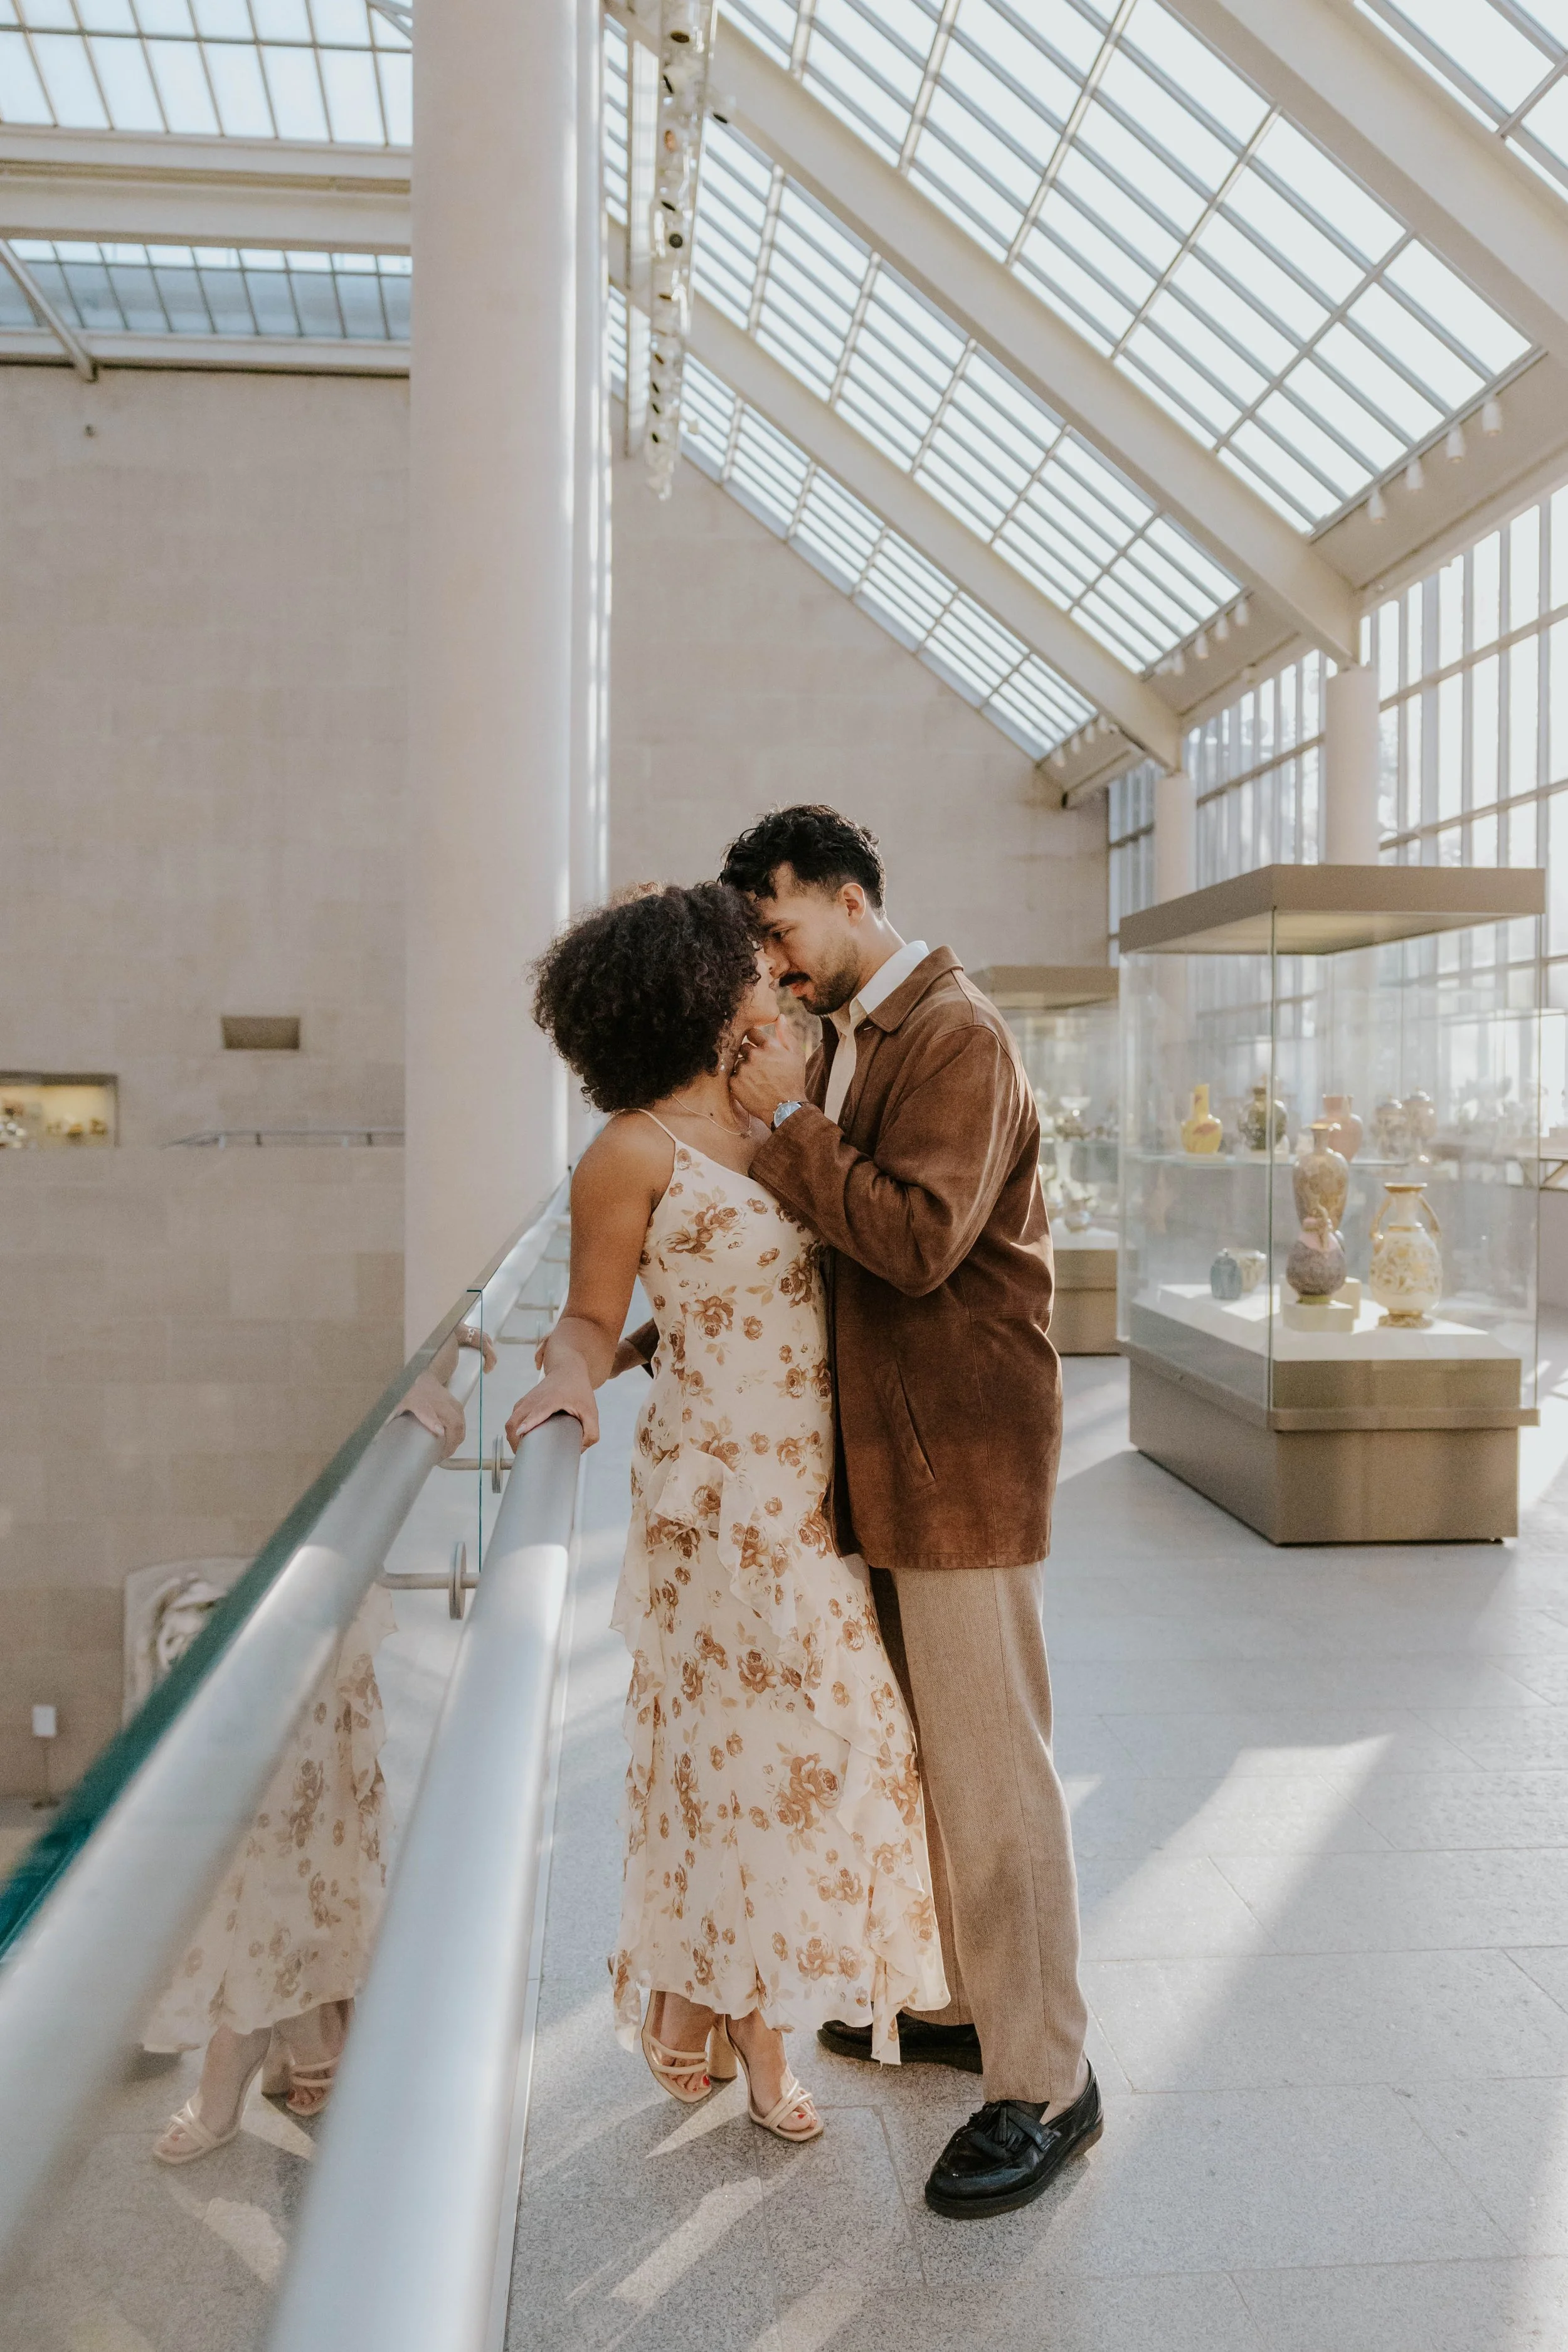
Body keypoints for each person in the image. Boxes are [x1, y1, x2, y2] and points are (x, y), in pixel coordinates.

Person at [507, 881, 946, 2143]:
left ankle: (705, 1990)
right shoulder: (631, 1152)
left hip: (814, 1497)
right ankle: (757, 2038)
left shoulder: (788, 1120)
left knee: (844, 1755)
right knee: (731, 1773)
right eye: (745, 965)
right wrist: (567, 1378)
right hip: (709, 1512)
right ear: (697, 993)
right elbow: (590, 1315)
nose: (770, 977)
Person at [714, 803, 1099, 2222]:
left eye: (778, 924)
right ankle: (965, 2007)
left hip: (963, 1462)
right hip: (904, 1457)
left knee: (994, 1777)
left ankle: (1046, 2080)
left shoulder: (953, 1035)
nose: (772, 958)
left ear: (851, 893)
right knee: (936, 1762)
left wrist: (787, 1125)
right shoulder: (877, 1033)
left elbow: (919, 1241)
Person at [147, 1324, 491, 2164]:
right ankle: (294, 2022)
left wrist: (389, 1380)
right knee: (266, 1826)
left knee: (309, 1819)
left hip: (318, 1567)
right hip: (247, 1562)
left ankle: (271, 2034)